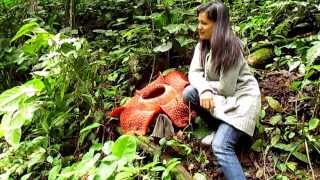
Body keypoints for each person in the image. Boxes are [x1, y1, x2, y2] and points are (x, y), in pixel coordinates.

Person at [182, 1, 261, 180]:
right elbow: (194, 73)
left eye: (204, 23)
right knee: (189, 93)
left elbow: (227, 88)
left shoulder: (231, 47)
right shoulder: (202, 45)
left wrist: (207, 89)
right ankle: (218, 128)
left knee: (221, 147)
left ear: (218, 25)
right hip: (222, 101)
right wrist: (204, 89)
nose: (199, 27)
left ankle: (223, 135)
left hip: (241, 103)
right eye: (198, 22)